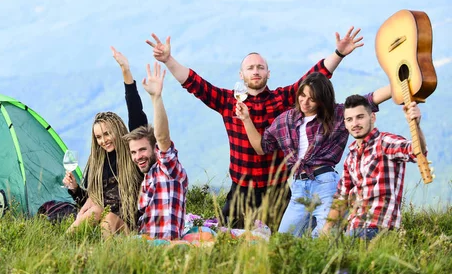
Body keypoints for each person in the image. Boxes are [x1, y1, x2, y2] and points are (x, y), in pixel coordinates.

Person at [146, 27, 364, 229]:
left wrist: (339, 53)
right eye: (250, 68)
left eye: (260, 67)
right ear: (241, 75)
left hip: (276, 188)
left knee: (284, 240)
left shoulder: (282, 99)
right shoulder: (229, 101)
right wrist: (168, 60)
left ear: (269, 73)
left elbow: (314, 78)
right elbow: (195, 84)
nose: (256, 71)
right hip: (241, 189)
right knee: (226, 238)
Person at [236, 73, 391, 237]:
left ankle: (363, 236)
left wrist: (402, 84)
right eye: (302, 95)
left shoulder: (337, 115)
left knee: (324, 238)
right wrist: (246, 119)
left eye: (312, 98)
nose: (305, 102)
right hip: (298, 188)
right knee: (283, 239)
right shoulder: (287, 119)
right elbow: (261, 147)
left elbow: (371, 100)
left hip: (325, 183)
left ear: (322, 99)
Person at [63, 47, 147, 236]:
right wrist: (75, 189)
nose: (103, 141)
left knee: (106, 217)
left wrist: (126, 71)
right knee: (98, 212)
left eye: (107, 134)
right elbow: (91, 200)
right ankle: (66, 245)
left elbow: (136, 112)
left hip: (129, 222)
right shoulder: (98, 162)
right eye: (99, 137)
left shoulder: (131, 151)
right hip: (103, 217)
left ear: (117, 130)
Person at [321, 95, 426, 240]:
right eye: (350, 119)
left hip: (378, 228)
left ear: (372, 118)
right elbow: (341, 197)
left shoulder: (385, 142)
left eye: (360, 117)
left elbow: (416, 152)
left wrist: (416, 126)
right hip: (353, 228)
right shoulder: (350, 156)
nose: (355, 123)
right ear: (345, 124)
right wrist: (325, 230)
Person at [123, 62, 189, 240]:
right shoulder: (147, 179)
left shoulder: (168, 170)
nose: (138, 157)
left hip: (166, 249)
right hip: (145, 250)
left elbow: (162, 137)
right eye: (133, 152)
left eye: (142, 150)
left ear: (154, 149)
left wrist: (156, 98)